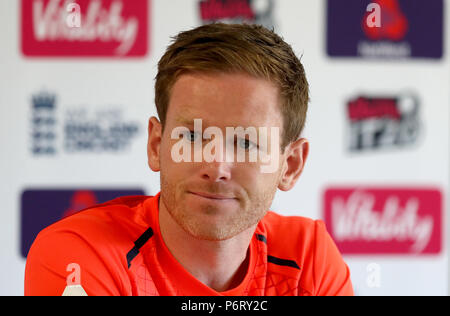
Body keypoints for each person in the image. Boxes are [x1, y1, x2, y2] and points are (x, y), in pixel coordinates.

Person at [25, 23, 354, 296]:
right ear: (157, 145)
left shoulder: (308, 259)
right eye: (193, 137)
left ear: (291, 165)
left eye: (245, 143)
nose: (216, 167)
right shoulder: (82, 254)